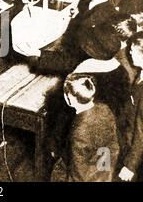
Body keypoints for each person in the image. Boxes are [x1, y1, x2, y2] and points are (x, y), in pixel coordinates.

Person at [51, 73, 120, 182]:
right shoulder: (105, 109)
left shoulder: (79, 133)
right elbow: (112, 146)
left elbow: (78, 176)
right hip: (104, 170)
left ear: (70, 98)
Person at [119, 31, 143, 181]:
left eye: (133, 50)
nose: (130, 53)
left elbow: (142, 132)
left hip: (134, 147)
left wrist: (130, 165)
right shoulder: (141, 73)